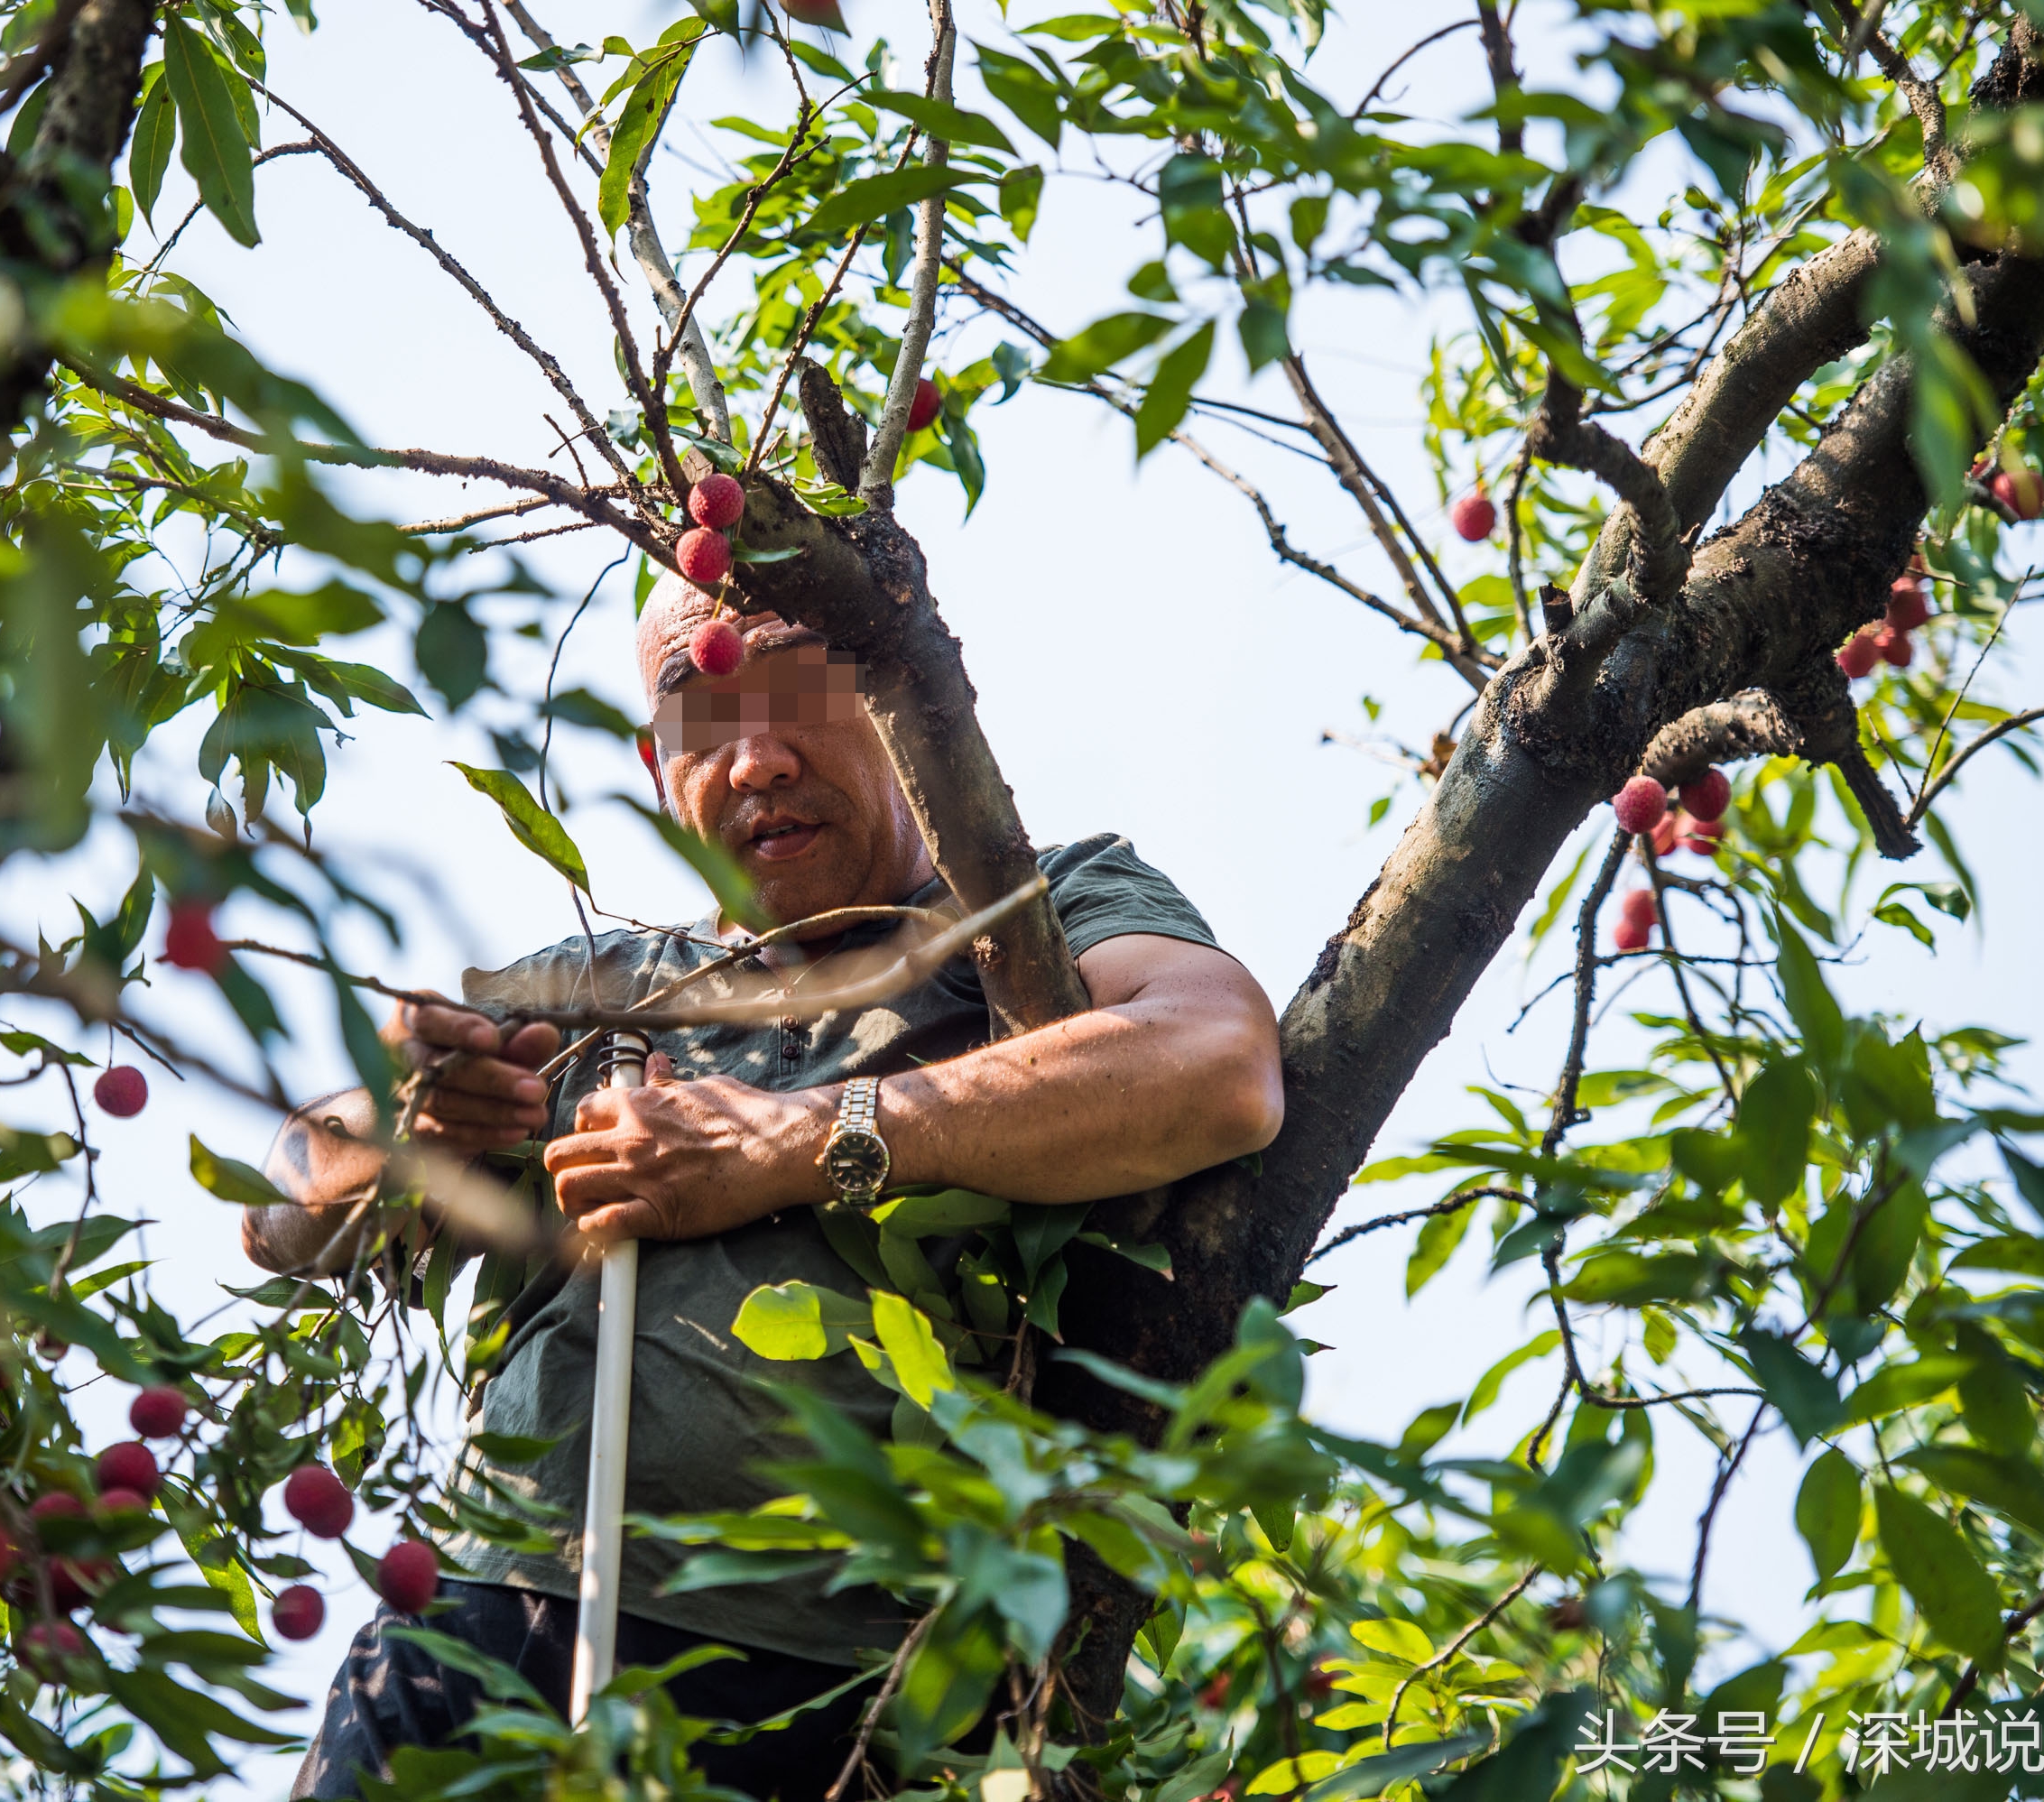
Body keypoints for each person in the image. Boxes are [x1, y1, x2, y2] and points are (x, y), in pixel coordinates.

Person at [243, 580, 1283, 1799]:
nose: (756, 762)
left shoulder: (1029, 912)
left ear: (898, 704)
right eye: (704, 724)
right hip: (482, 1631)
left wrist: (798, 1140)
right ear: (654, 765)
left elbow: (1220, 1063)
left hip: (846, 1689)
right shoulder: (600, 980)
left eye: (796, 696)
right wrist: (411, 1110)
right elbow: (284, 1213)